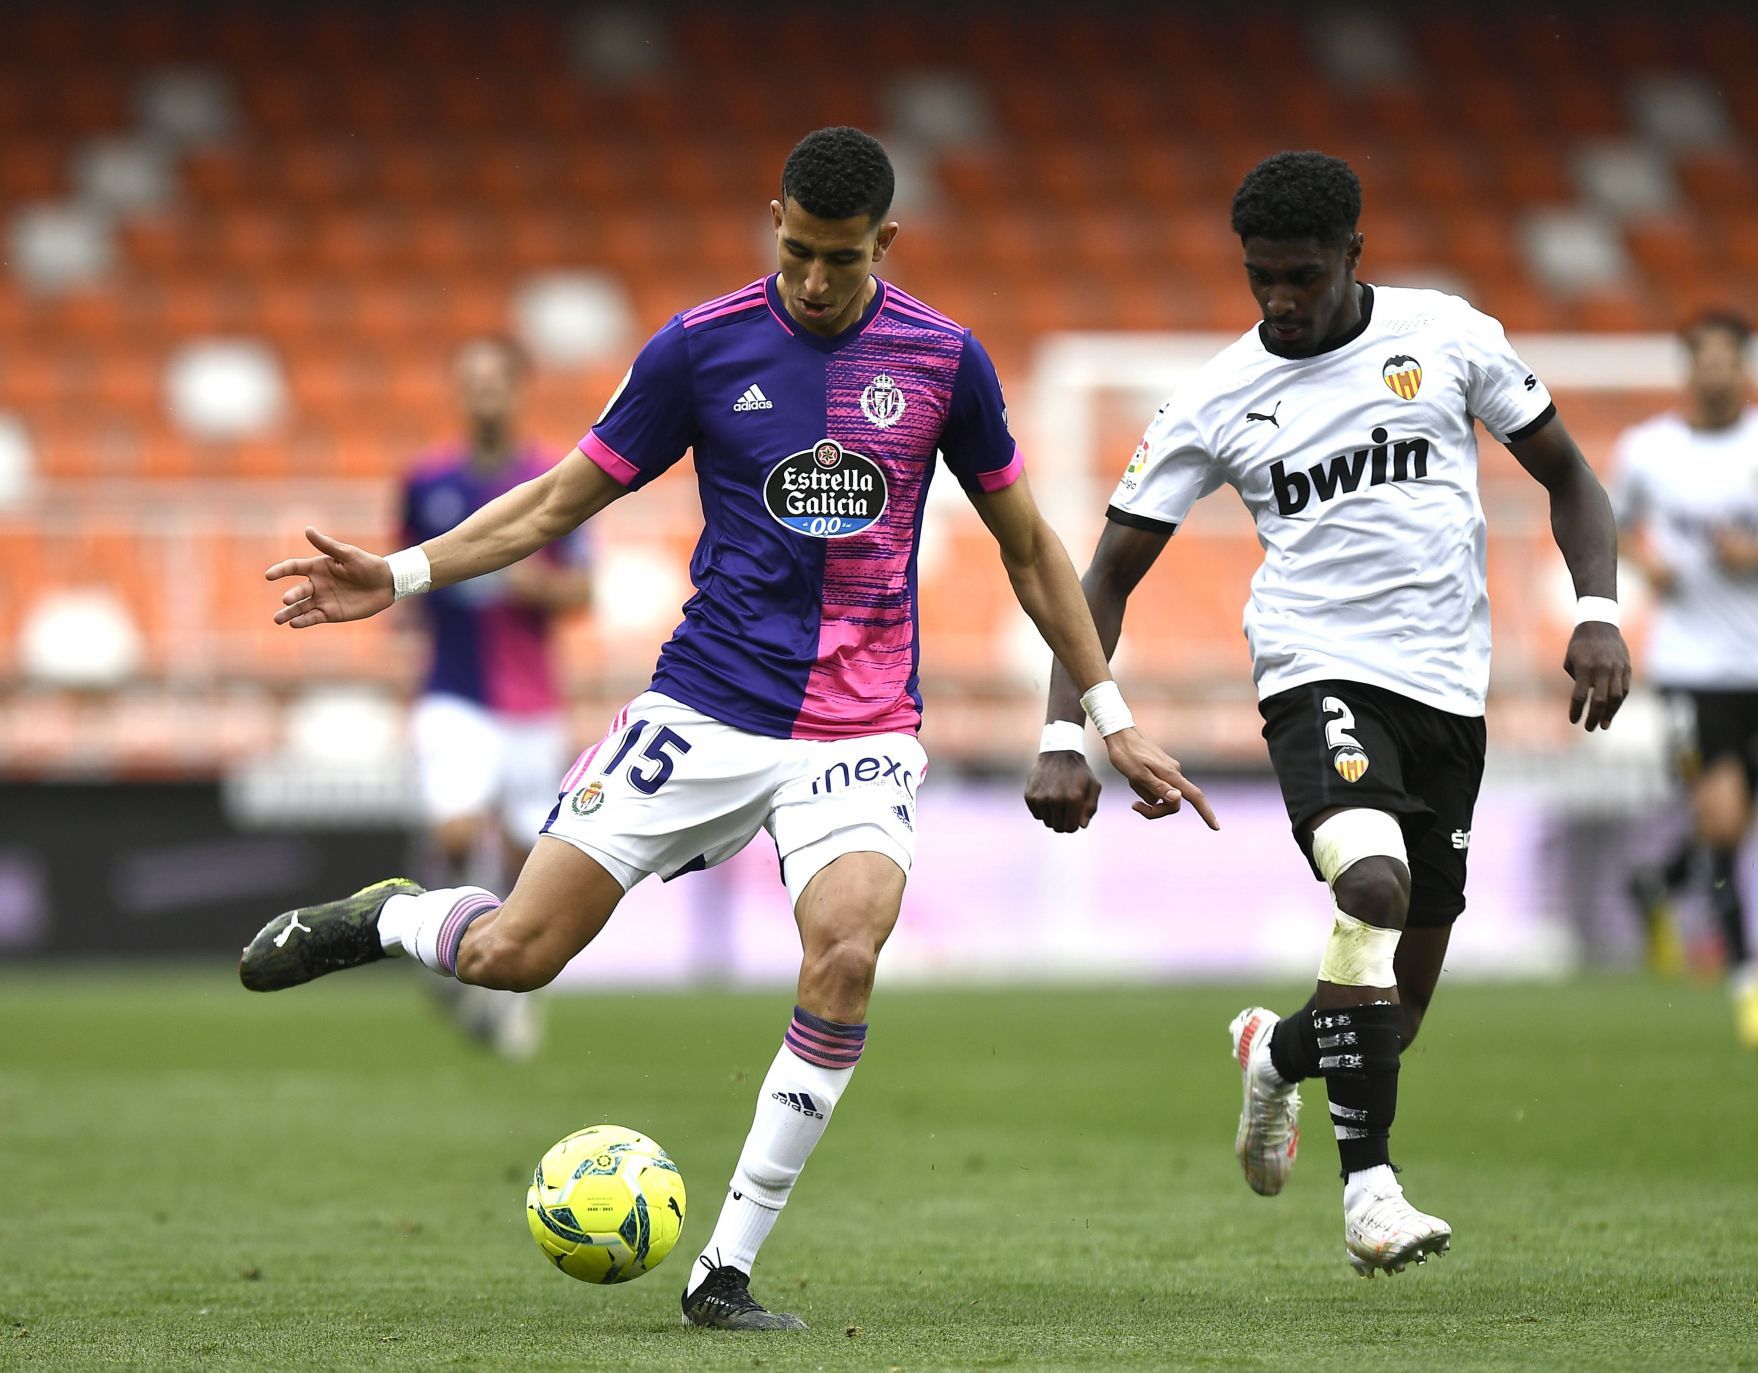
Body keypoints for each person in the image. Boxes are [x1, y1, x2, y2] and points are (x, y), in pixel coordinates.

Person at [237, 127, 1214, 1331]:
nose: (812, 278)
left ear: (885, 244)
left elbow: (1028, 548)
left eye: (839, 259)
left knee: (845, 956)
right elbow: (556, 501)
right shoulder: (698, 348)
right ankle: (389, 910)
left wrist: (1104, 712)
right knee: (514, 957)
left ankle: (725, 1269)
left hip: (862, 725)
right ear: (775, 222)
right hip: (703, 706)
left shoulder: (944, 358)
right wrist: (399, 573)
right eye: (795, 250)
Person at [1023, 151, 1630, 1277]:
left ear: (1355, 255)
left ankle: (1275, 1048)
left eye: (1301, 276)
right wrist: (1068, 731)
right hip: (1315, 671)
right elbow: (1103, 576)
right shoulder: (1217, 395)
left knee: (1386, 1020)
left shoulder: (1445, 337)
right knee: (1372, 884)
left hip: (1450, 691)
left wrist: (1596, 608)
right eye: (1260, 279)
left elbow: (1573, 478)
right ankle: (1372, 1196)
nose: (1280, 302)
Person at [1616, 311, 1758, 1049]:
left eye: (1727, 361)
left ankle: (1657, 885)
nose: (1715, 374)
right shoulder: (1647, 451)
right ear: (1685, 370)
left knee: (1733, 821)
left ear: (1748, 369)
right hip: (1685, 665)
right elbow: (1605, 521)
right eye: (1702, 361)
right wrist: (1644, 561)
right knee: (1722, 820)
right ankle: (1749, 980)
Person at [398, 336, 592, 1059]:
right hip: (453, 689)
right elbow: (405, 579)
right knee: (455, 833)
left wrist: (526, 580)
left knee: (520, 861)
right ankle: (439, 936)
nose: (484, 395)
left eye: (495, 382)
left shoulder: (553, 477)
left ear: (518, 391)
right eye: (471, 381)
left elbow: (582, 588)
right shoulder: (424, 483)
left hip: (531, 702)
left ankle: (508, 1002)